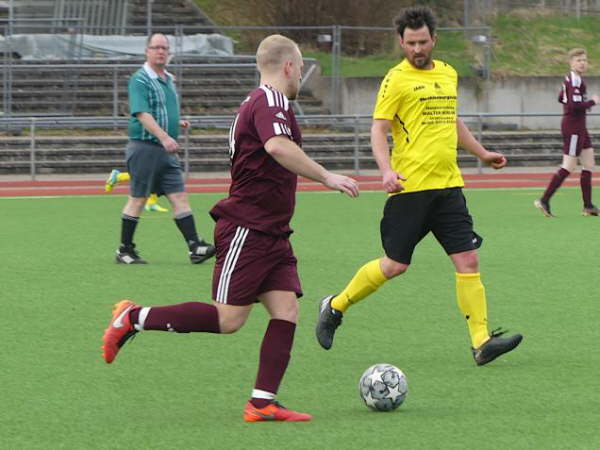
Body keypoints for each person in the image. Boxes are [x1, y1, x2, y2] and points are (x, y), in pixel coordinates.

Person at [102, 34, 359, 422]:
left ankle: (262, 402)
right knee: (228, 320)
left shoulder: (267, 103)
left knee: (286, 309)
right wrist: (326, 176)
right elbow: (276, 147)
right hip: (248, 228)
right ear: (288, 66)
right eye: (301, 68)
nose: (300, 76)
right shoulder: (268, 101)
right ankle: (133, 316)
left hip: (272, 229)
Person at [315, 6, 522, 366]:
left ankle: (481, 341)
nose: (417, 49)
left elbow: (453, 123)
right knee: (395, 265)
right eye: (410, 43)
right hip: (409, 189)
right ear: (401, 42)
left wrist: (483, 153)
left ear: (434, 40)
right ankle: (335, 305)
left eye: (423, 42)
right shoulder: (395, 79)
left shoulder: (447, 73)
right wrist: (385, 170)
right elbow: (379, 128)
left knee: (468, 260)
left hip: (448, 188)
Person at [115, 33, 215, 264]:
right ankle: (125, 250)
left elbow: (159, 110)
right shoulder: (140, 79)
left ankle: (194, 246)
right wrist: (164, 136)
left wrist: (174, 123)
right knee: (138, 199)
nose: (161, 51)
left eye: (164, 48)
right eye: (156, 47)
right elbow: (142, 113)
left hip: (164, 150)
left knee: (179, 196)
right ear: (147, 51)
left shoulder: (168, 78)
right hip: (146, 147)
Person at [534, 48, 600, 217]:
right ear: (571, 63)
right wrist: (592, 102)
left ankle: (588, 205)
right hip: (573, 128)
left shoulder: (573, 79)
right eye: (578, 60)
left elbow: (561, 97)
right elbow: (572, 106)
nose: (583, 63)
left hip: (580, 127)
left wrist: (581, 104)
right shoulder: (574, 80)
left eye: (584, 60)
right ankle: (544, 200)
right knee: (569, 166)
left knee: (589, 163)